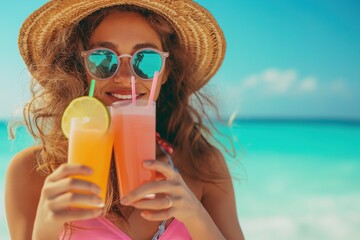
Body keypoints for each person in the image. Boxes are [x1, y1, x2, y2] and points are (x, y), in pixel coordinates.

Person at [5, 1, 245, 239]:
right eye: (103, 59)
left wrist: (195, 216)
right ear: (78, 68)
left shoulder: (203, 165)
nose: (125, 76)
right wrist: (45, 230)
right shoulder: (32, 173)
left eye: (145, 59)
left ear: (165, 72)